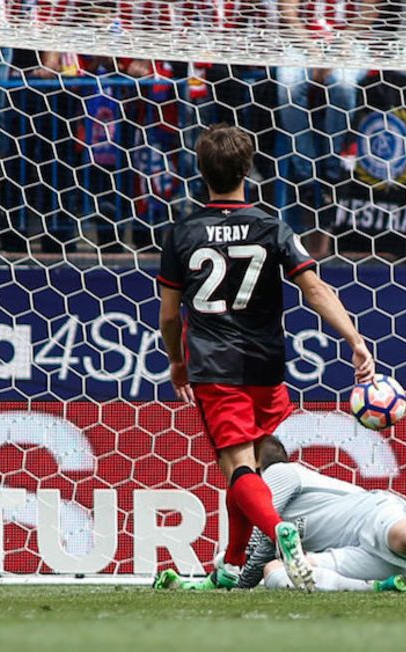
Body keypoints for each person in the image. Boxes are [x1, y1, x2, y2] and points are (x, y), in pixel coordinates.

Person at [158, 124, 375, 592]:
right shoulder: (271, 225)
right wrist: (354, 339)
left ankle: (279, 532)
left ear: (201, 172)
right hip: (265, 362)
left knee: (237, 468)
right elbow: (314, 288)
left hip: (217, 364)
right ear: (249, 168)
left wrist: (177, 359)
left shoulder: (183, 233)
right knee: (251, 465)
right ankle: (233, 565)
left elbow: (170, 316)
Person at [154, 437, 406, 592]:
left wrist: (232, 582)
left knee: (405, 537)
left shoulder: (279, 474)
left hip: (370, 516)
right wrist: (222, 572)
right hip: (356, 560)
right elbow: (261, 559)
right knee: (280, 573)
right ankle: (379, 590)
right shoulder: (265, 490)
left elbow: (260, 541)